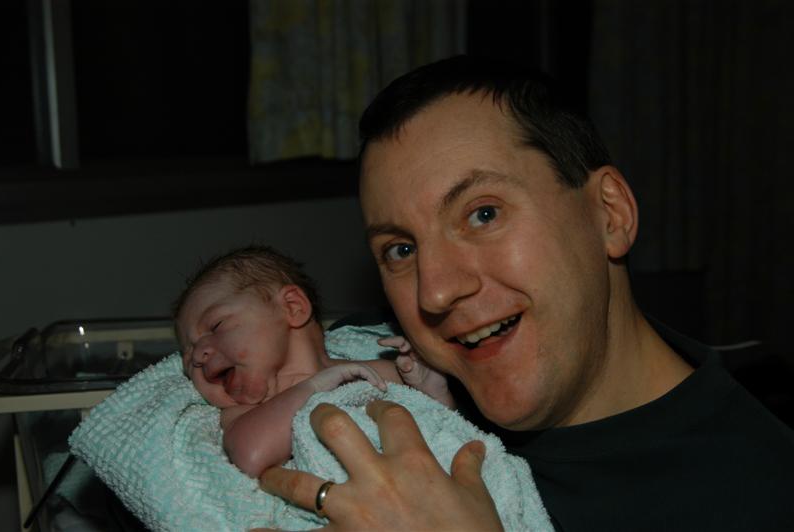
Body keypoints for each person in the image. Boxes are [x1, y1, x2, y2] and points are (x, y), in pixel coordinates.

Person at [258, 55, 794, 531]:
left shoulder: (763, 497)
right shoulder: (369, 361)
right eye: (401, 249)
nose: (436, 292)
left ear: (610, 214)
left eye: (483, 214)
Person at [173, 245, 453, 478]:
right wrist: (314, 388)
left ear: (293, 308)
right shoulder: (242, 416)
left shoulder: (374, 372)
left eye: (216, 325)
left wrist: (431, 386)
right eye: (188, 357)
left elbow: (446, 432)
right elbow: (251, 455)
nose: (198, 355)